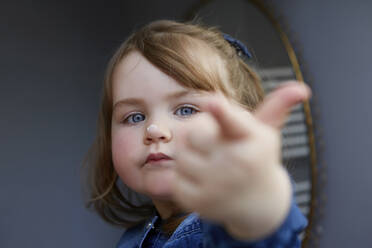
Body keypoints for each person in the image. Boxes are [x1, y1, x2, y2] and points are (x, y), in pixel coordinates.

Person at [84, 19, 310, 247]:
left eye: (185, 110)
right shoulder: (135, 237)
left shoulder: (230, 223)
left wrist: (253, 205)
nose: (154, 130)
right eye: (135, 117)